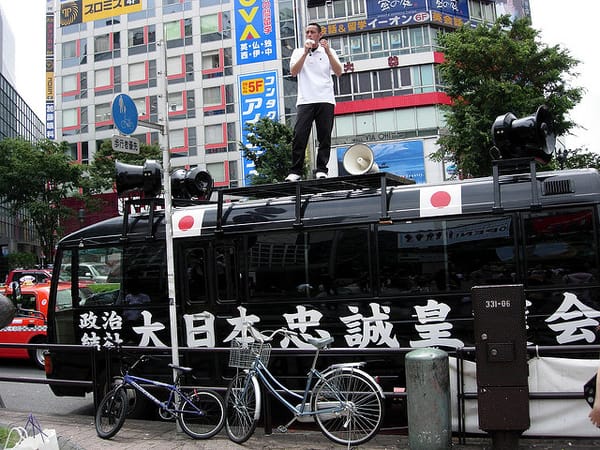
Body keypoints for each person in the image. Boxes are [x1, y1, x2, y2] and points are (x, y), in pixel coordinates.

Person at [285, 22, 343, 182]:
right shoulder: (297, 52)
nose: (309, 35)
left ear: (319, 35)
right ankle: (295, 171)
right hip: (306, 100)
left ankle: (322, 169)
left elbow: (338, 72)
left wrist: (328, 52)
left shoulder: (329, 52)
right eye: (307, 32)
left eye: (312, 32)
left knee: (324, 136)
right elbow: (293, 72)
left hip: (325, 98)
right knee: (299, 135)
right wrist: (305, 53)